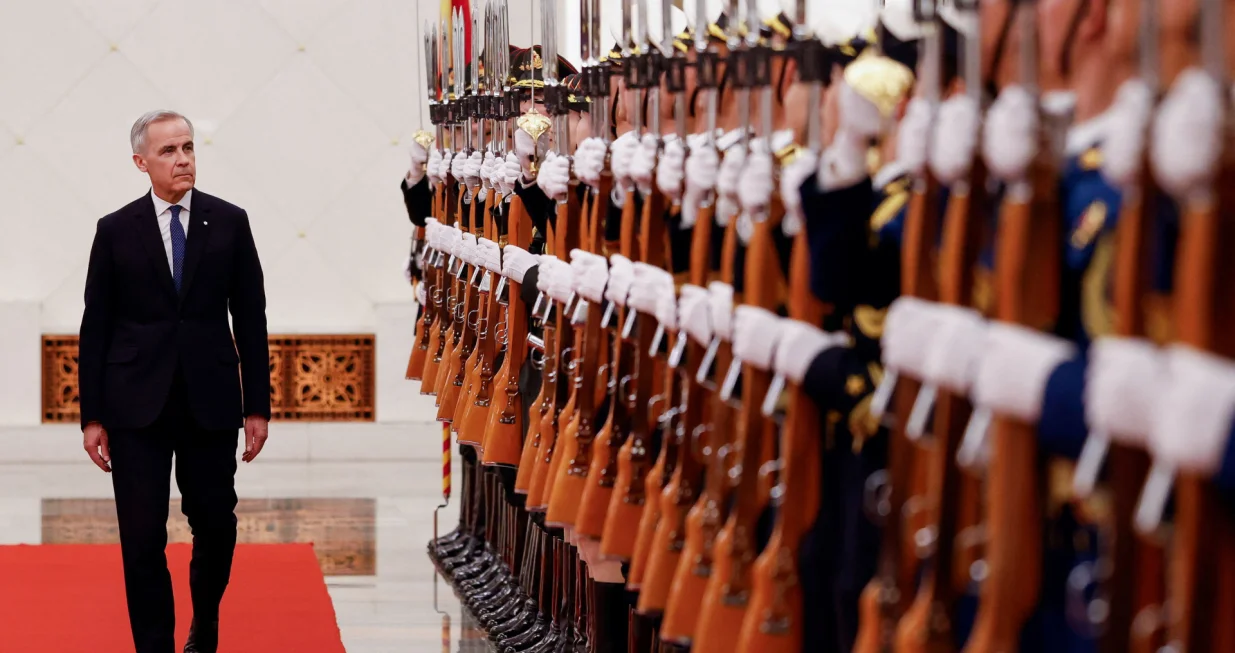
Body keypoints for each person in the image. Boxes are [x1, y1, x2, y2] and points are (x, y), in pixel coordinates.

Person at [78, 109, 271, 653]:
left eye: (187, 147)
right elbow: (96, 326)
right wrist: (92, 415)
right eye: (168, 151)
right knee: (142, 539)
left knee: (215, 525)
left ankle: (204, 622)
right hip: (134, 404)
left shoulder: (229, 221)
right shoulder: (115, 230)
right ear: (141, 162)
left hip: (210, 399)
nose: (183, 159)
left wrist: (257, 405)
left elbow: (250, 317)